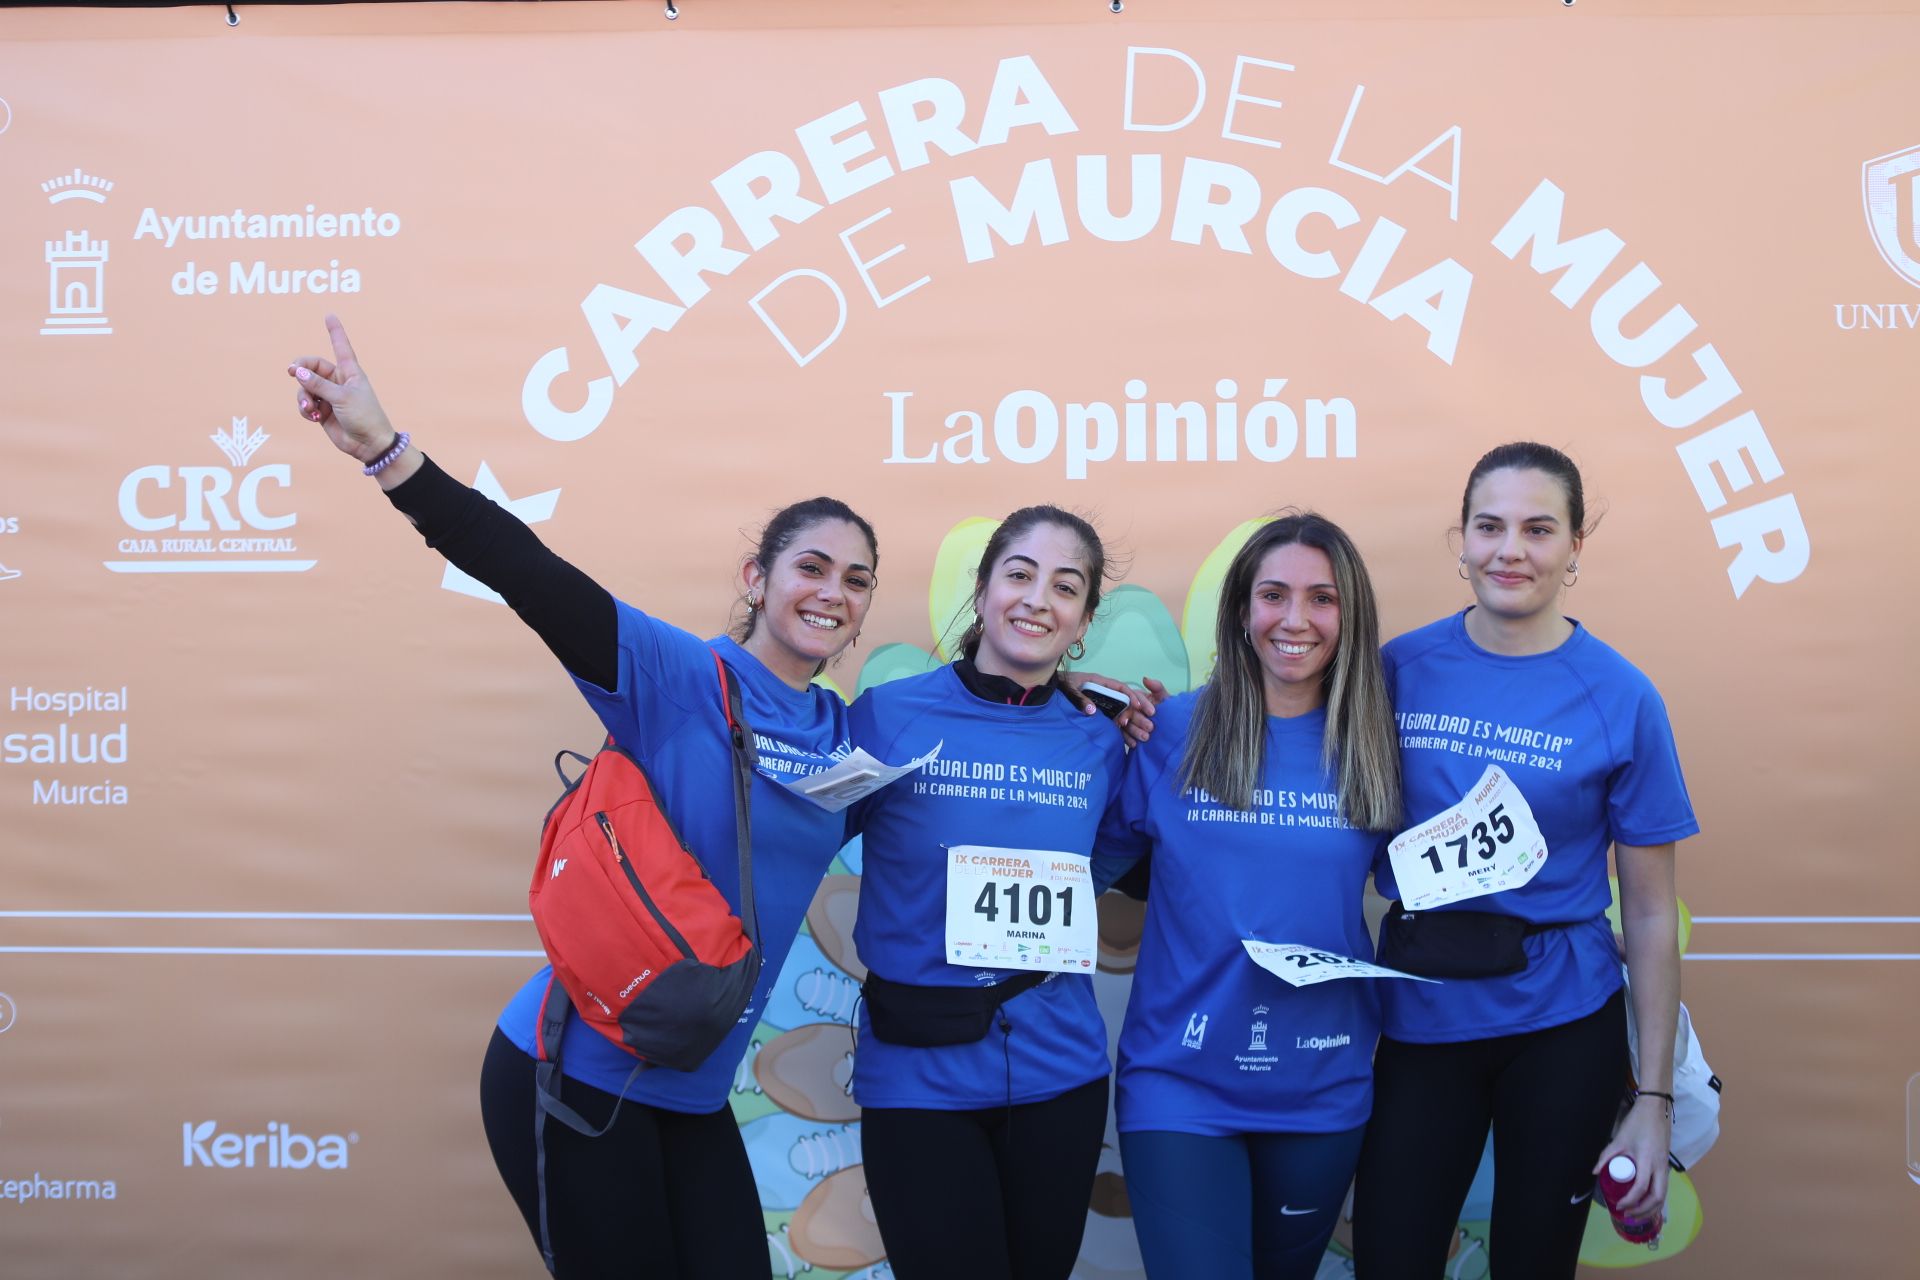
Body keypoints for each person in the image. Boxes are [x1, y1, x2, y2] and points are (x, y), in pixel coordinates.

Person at [286, 315, 881, 1279]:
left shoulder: (850, 738)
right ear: (756, 577)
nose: (833, 593)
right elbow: (525, 572)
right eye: (811, 567)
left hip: (692, 1096)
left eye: (857, 580)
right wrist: (386, 453)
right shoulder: (680, 679)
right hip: (574, 1073)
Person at [1351, 442, 1695, 1279]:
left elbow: (1648, 914)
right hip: (1420, 1018)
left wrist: (1652, 1102)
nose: (1512, 550)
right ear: (1460, 541)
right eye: (1490, 527)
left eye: (1539, 529)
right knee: (1392, 1257)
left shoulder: (1621, 697)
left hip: (1561, 1021)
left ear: (1576, 546)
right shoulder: (1397, 671)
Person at [1097, 513, 1401, 1280]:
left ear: (1350, 614)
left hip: (1324, 1085)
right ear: (1241, 609)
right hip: (1180, 1082)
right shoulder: (1169, 731)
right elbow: (1076, 859)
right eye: (1273, 594)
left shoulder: (1380, 748)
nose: (1295, 620)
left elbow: (1447, 886)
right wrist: (1071, 710)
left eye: (1322, 598)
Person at [845, 506, 1130, 1280]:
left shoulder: (1102, 739)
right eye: (1019, 574)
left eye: (1065, 588)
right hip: (919, 1073)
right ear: (982, 591)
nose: (1039, 599)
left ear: (1084, 622)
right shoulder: (888, 715)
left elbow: (1107, 866)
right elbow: (790, 841)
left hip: (1059, 1075)